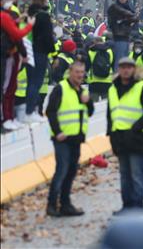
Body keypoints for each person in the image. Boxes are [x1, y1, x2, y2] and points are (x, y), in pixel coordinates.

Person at [107, 57, 143, 214]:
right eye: (123, 67)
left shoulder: (142, 87)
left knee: (136, 175)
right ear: (119, 69)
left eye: (129, 67)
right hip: (119, 138)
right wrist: (111, 133)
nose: (126, 70)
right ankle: (127, 206)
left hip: (136, 138)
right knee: (124, 176)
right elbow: (110, 114)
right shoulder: (112, 89)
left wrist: (136, 128)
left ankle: (137, 208)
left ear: (134, 69)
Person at [44, 62, 93, 216]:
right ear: (70, 72)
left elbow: (89, 112)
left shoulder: (82, 91)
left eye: (82, 72)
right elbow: (50, 111)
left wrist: (88, 102)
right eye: (77, 72)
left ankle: (65, 204)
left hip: (76, 138)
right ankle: (52, 205)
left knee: (71, 171)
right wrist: (57, 131)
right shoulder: (61, 88)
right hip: (62, 138)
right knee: (62, 170)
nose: (80, 75)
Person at [1, 0, 34, 130]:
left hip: (11, 53)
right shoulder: (4, 15)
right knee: (7, 88)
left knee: (10, 87)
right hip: (8, 54)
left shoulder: (8, 15)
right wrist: (29, 26)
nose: (10, 0)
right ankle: (6, 118)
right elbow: (16, 34)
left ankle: (9, 117)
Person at [25, 0, 54, 123]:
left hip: (27, 50)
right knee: (36, 82)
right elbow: (48, 36)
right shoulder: (43, 16)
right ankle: (31, 111)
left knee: (30, 81)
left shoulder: (28, 14)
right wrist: (53, 52)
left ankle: (29, 109)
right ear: (44, 0)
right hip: (40, 51)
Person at [107, 0, 137, 68]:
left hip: (128, 38)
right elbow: (112, 23)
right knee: (120, 62)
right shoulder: (114, 8)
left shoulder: (130, 7)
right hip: (118, 38)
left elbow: (134, 21)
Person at [87, 35, 114, 102]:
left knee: (93, 106)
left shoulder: (90, 52)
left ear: (94, 42)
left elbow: (87, 66)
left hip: (93, 82)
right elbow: (112, 64)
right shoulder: (110, 52)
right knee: (106, 107)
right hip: (107, 81)